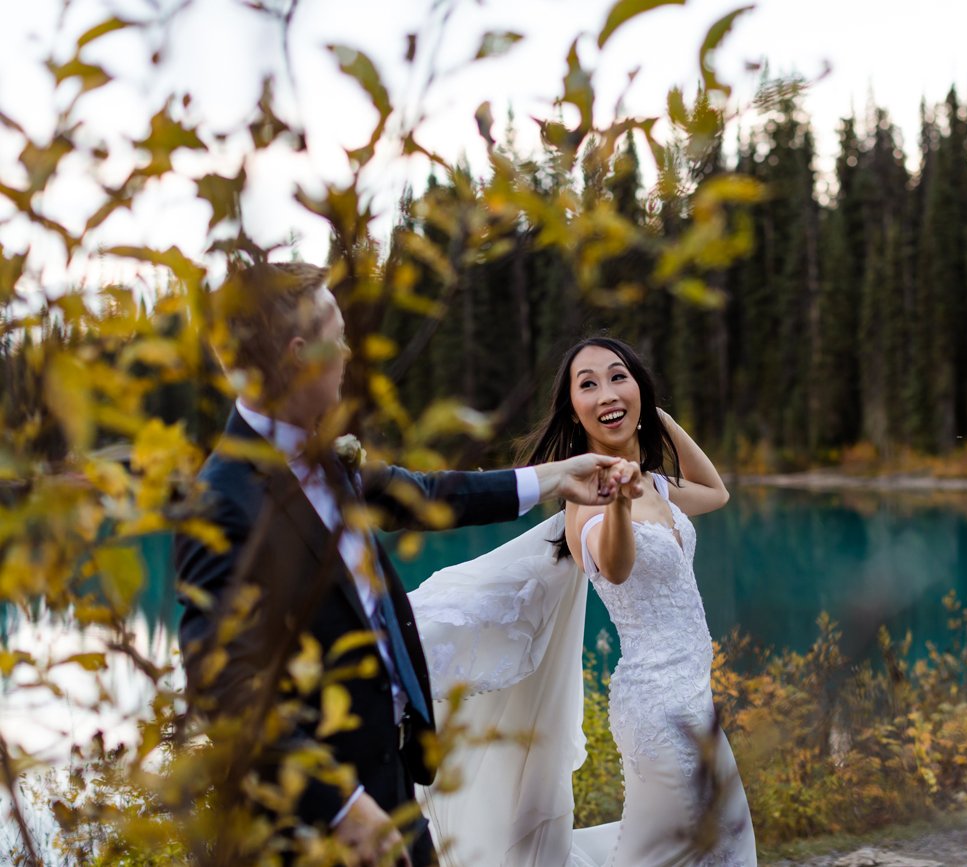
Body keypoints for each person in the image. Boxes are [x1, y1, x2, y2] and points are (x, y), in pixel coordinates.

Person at [173, 263, 639, 865]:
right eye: (338, 337)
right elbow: (222, 688)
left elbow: (426, 495)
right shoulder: (222, 500)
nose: (346, 353)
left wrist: (556, 477)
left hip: (393, 780)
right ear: (301, 353)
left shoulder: (327, 460)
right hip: (312, 823)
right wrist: (340, 807)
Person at [410, 336, 756, 866]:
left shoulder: (658, 487)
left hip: (695, 699)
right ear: (573, 410)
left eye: (619, 377)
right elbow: (615, 568)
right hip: (658, 711)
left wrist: (652, 414)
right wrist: (617, 501)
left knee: (722, 845)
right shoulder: (584, 501)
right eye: (588, 385)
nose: (606, 393)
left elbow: (715, 492)